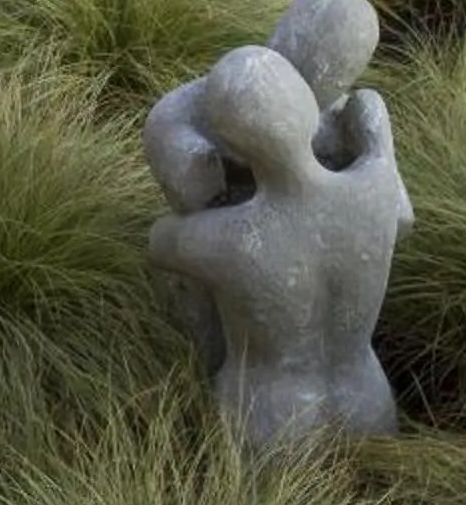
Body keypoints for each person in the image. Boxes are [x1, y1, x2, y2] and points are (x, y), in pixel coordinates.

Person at [146, 42, 404, 451]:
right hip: (367, 404)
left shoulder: (228, 238)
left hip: (271, 428)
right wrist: (370, 115)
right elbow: (401, 212)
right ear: (308, 110)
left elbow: (158, 242)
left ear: (234, 145)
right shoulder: (377, 183)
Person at [142, 0, 406, 371]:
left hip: (271, 380)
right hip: (243, 317)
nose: (325, 80)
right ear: (285, 32)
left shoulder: (341, 119)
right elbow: (192, 207)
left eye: (343, 70)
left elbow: (167, 241)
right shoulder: (188, 115)